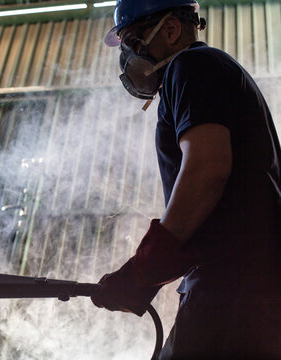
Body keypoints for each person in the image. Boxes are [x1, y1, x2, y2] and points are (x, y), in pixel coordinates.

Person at [90, 0, 281, 358]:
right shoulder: (214, 71)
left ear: (171, 29)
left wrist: (143, 269)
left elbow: (207, 170)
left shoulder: (192, 66)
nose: (129, 58)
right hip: (250, 286)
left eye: (132, 42)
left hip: (230, 285)